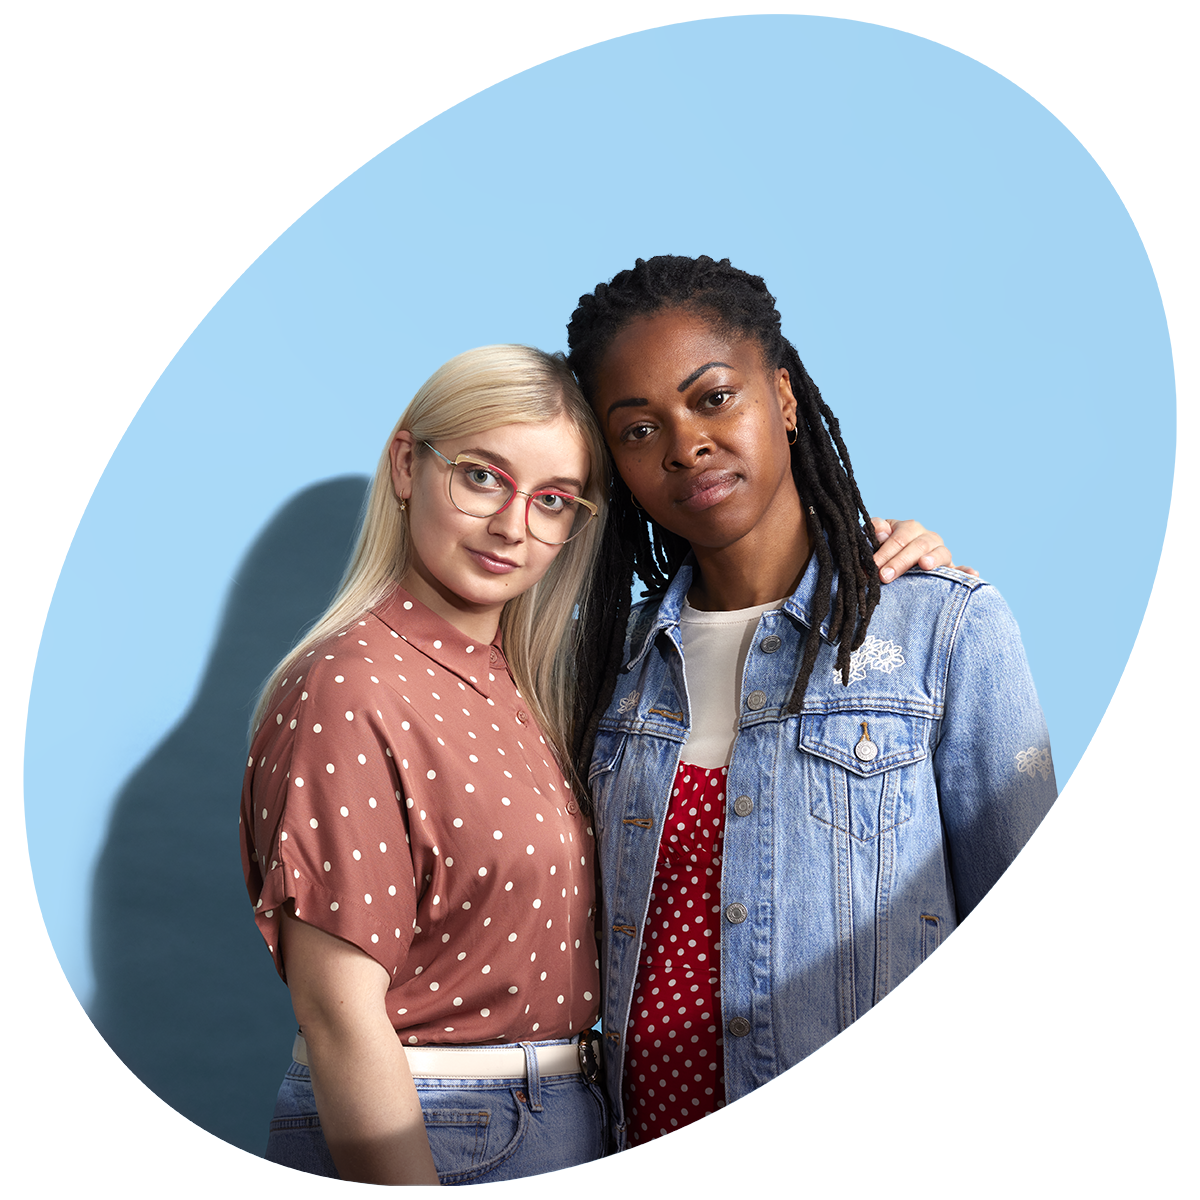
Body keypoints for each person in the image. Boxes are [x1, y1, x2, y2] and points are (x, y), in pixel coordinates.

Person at [565, 255, 1057, 1150]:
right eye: (639, 430)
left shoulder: (940, 629)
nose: (685, 445)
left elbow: (1036, 938)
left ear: (784, 398)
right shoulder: (607, 663)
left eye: (713, 398)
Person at [239, 345, 613, 1185]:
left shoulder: (525, 686)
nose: (513, 526)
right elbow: (339, 1015)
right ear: (408, 465)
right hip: (440, 1129)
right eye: (482, 477)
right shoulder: (350, 686)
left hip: (557, 1120)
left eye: (551, 500)